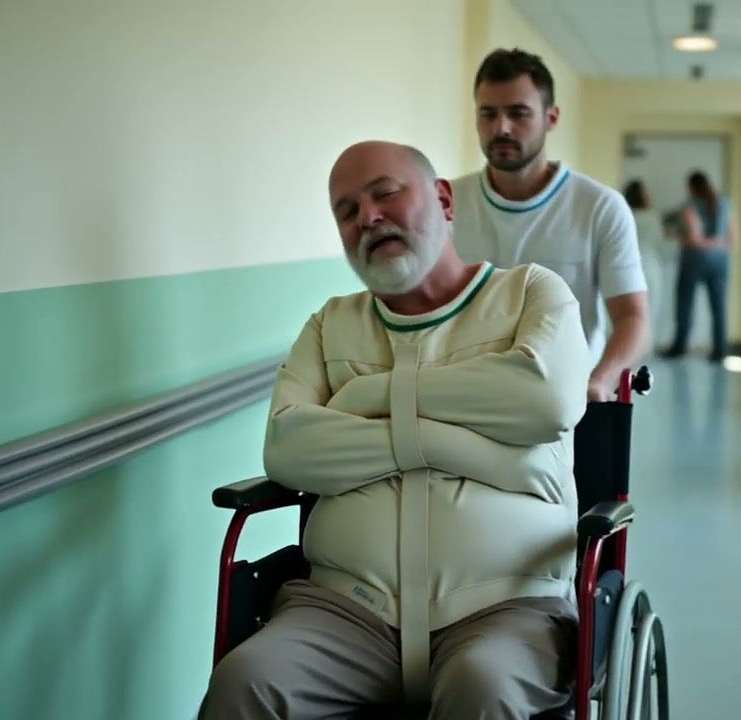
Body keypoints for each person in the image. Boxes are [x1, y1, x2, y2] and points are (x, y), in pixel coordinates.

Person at [202, 139, 592, 719]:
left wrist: (366, 395)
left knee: (483, 688)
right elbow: (288, 452)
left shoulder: (532, 294)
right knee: (245, 683)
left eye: (385, 195)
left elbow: (546, 401)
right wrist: (465, 446)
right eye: (347, 211)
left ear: (442, 199)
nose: (369, 218)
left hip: (506, 607)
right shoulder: (331, 325)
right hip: (342, 610)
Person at [451, 47, 650, 402]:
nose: (501, 128)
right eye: (488, 114)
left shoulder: (600, 208)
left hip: (565, 402)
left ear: (552, 117)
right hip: (465, 399)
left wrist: (599, 381)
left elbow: (632, 318)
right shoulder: (445, 204)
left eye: (518, 113)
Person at [660, 170, 738, 362]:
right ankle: (719, 350)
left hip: (694, 259)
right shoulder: (725, 204)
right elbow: (734, 239)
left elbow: (695, 238)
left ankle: (680, 346)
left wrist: (680, 237)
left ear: (691, 187)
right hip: (720, 260)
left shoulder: (689, 206)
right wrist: (717, 243)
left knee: (685, 304)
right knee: (718, 306)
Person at [623, 179, 667, 355]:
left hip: (628, 267)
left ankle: (628, 346)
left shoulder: (623, 214)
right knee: (651, 309)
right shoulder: (653, 217)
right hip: (650, 265)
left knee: (630, 310)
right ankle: (645, 347)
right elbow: (661, 241)